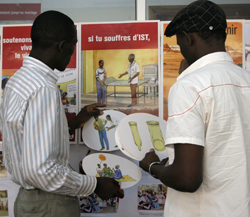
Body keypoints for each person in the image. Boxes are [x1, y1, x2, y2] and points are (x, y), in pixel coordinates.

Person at [0, 11, 123, 217]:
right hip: (49, 204)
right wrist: (94, 185)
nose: (72, 52)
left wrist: (76, 121)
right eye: (73, 45)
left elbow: (29, 137)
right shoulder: (43, 88)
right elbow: (41, 171)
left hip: (29, 201)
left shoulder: (17, 81)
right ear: (62, 46)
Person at [139, 1, 250, 217]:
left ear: (189, 38)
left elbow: (187, 179)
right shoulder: (246, 80)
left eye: (180, 43)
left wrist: (153, 167)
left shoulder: (190, 85)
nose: (181, 51)